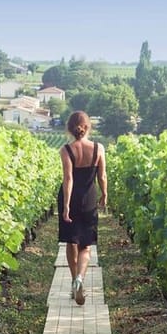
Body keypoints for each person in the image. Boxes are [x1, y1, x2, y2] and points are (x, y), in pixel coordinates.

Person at [57, 111, 107, 305]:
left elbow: (68, 179)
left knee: (71, 242)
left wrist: (66, 205)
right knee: (85, 245)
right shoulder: (98, 148)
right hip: (89, 199)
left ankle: (73, 281)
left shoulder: (66, 150)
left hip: (71, 198)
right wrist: (104, 194)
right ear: (88, 127)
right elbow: (102, 176)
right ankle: (80, 278)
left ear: (70, 128)